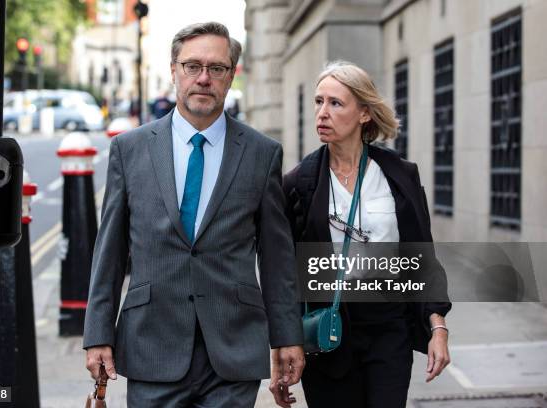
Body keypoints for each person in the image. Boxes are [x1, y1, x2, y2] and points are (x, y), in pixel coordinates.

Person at [83, 22, 305, 407]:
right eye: (192, 66)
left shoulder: (261, 153)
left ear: (231, 75)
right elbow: (110, 251)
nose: (203, 78)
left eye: (216, 68)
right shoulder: (129, 150)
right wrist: (97, 333)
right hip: (152, 346)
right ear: (174, 70)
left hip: (233, 348)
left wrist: (287, 336)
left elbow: (277, 257)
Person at [282, 61, 452, 408]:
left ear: (364, 113)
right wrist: (284, 347)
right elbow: (284, 274)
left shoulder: (399, 176)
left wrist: (438, 327)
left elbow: (421, 258)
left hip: (389, 328)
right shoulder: (299, 184)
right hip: (328, 331)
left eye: (335, 103)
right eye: (318, 102)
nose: (323, 113)